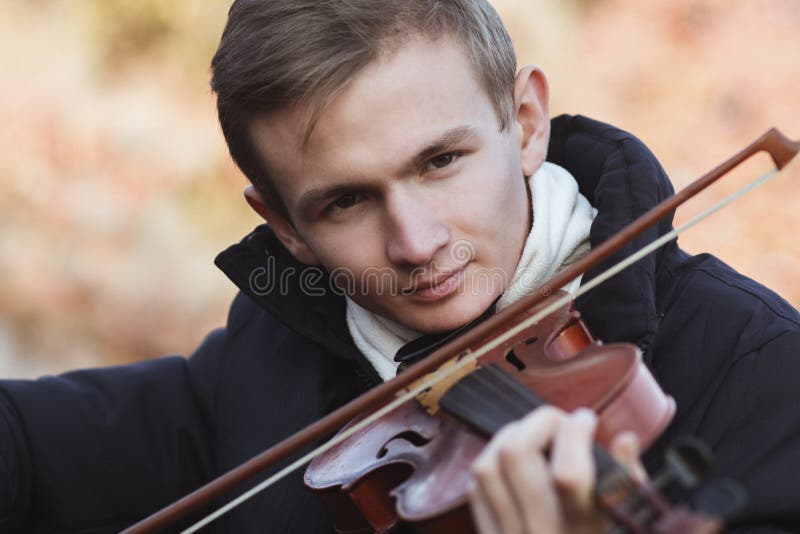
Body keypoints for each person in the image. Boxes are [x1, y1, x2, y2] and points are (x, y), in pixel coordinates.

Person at [1, 1, 799, 532]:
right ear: (283, 226)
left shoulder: (758, 371)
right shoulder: (273, 367)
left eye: (440, 161)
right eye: (344, 202)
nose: (414, 244)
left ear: (524, 123)